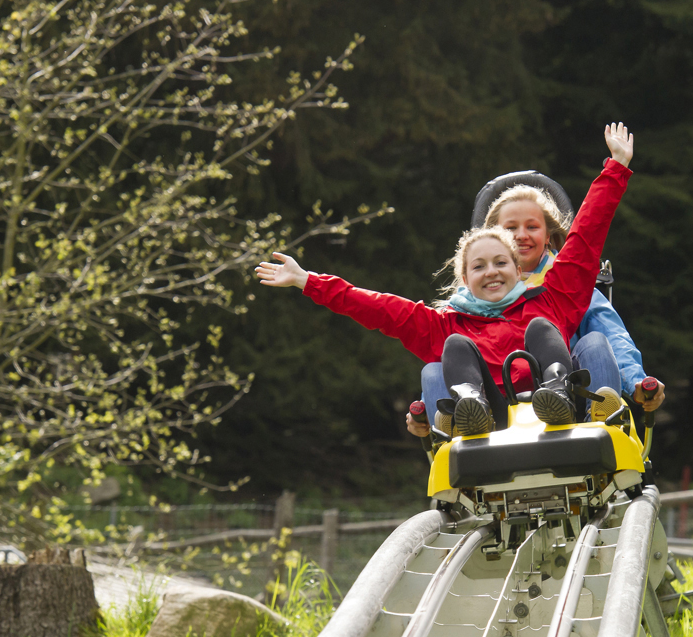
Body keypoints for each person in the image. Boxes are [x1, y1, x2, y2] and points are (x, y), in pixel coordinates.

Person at [256, 123, 635, 437]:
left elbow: (586, 235)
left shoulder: (551, 298)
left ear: (519, 269)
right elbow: (376, 307)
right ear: (465, 280)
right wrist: (307, 280)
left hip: (553, 405)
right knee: (453, 346)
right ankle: (469, 405)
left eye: (500, 262)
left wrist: (616, 168)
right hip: (496, 417)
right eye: (480, 266)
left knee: (542, 327)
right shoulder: (446, 325)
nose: (491, 272)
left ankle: (557, 389)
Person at [410, 179, 667, 436]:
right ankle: (453, 428)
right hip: (493, 406)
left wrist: (635, 380)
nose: (521, 235)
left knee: (596, 341)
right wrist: (424, 405)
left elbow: (614, 337)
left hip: (571, 393)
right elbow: (453, 360)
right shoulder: (470, 304)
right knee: (434, 369)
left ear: (547, 236)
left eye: (531, 227)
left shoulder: (568, 287)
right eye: (510, 228)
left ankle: (601, 420)